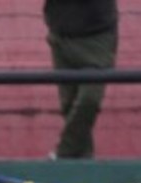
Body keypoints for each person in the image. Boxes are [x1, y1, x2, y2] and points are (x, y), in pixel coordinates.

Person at [42, 0, 116, 160]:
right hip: (61, 32)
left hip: (97, 34)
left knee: (89, 99)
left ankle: (63, 154)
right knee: (69, 105)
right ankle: (82, 166)